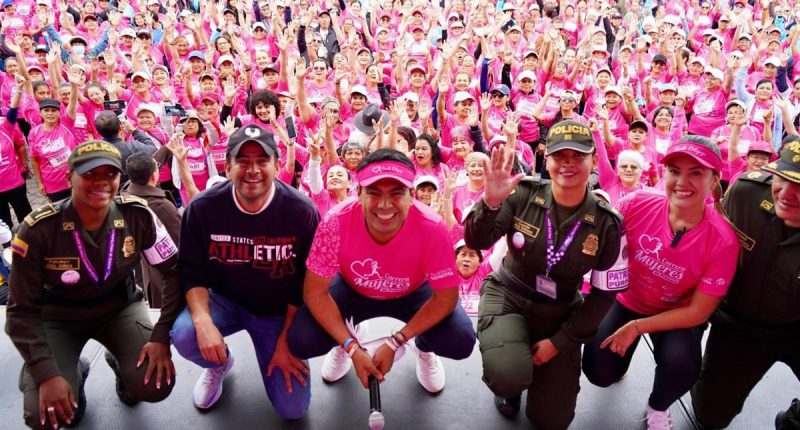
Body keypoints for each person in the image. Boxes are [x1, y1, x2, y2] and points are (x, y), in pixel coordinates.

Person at [5, 141, 182, 430]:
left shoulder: (138, 215)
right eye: (89, 174)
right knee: (43, 415)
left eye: (109, 174)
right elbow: (20, 312)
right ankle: (73, 371)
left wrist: (161, 335)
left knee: (155, 384)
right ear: (68, 178)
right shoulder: (38, 229)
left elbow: (173, 271)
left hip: (119, 309)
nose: (100, 182)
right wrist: (47, 373)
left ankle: (120, 362)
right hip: (57, 319)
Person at [463, 120, 629, 428]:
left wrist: (560, 341)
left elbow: (605, 296)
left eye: (577, 156)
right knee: (509, 375)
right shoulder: (523, 194)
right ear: (546, 158)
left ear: (593, 159)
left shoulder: (608, 223)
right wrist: (489, 203)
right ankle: (511, 386)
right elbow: (476, 241)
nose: (568, 163)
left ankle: (531, 363)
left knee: (552, 420)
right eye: (559, 155)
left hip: (560, 311)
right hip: (509, 295)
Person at [288, 148, 476, 395]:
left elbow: (447, 297)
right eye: (374, 193)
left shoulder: (433, 227)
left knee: (460, 340)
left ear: (411, 195)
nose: (385, 205)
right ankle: (346, 337)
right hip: (352, 288)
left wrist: (396, 341)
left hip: (413, 291)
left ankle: (423, 348)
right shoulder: (334, 222)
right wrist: (352, 347)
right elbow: (314, 293)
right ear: (358, 194)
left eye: (396, 193)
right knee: (302, 339)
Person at [582, 136, 739, 430]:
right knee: (598, 370)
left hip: (676, 313)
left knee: (682, 365)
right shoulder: (635, 204)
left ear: (715, 179)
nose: (682, 181)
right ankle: (620, 363)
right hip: (626, 300)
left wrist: (638, 327)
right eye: (674, 170)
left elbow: (698, 313)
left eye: (696, 172)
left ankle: (657, 406)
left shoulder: (723, 240)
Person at [170, 124, 319, 419]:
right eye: (243, 161)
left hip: (276, 313)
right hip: (224, 301)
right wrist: (203, 322)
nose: (253, 170)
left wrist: (286, 341)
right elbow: (192, 271)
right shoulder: (203, 208)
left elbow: (304, 284)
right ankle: (219, 364)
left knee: (293, 410)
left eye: (262, 161)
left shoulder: (301, 211)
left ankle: (275, 348)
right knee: (186, 335)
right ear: (227, 167)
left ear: (278, 166)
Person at [691, 137, 800, 430]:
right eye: (783, 178)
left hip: (796, 327)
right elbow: (707, 248)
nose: (787, 194)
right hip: (739, 324)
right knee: (709, 417)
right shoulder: (746, 193)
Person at [122, 151, 181, 308]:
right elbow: (180, 245)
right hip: (166, 280)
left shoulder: (127, 195)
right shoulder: (160, 206)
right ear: (154, 175)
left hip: (148, 273)